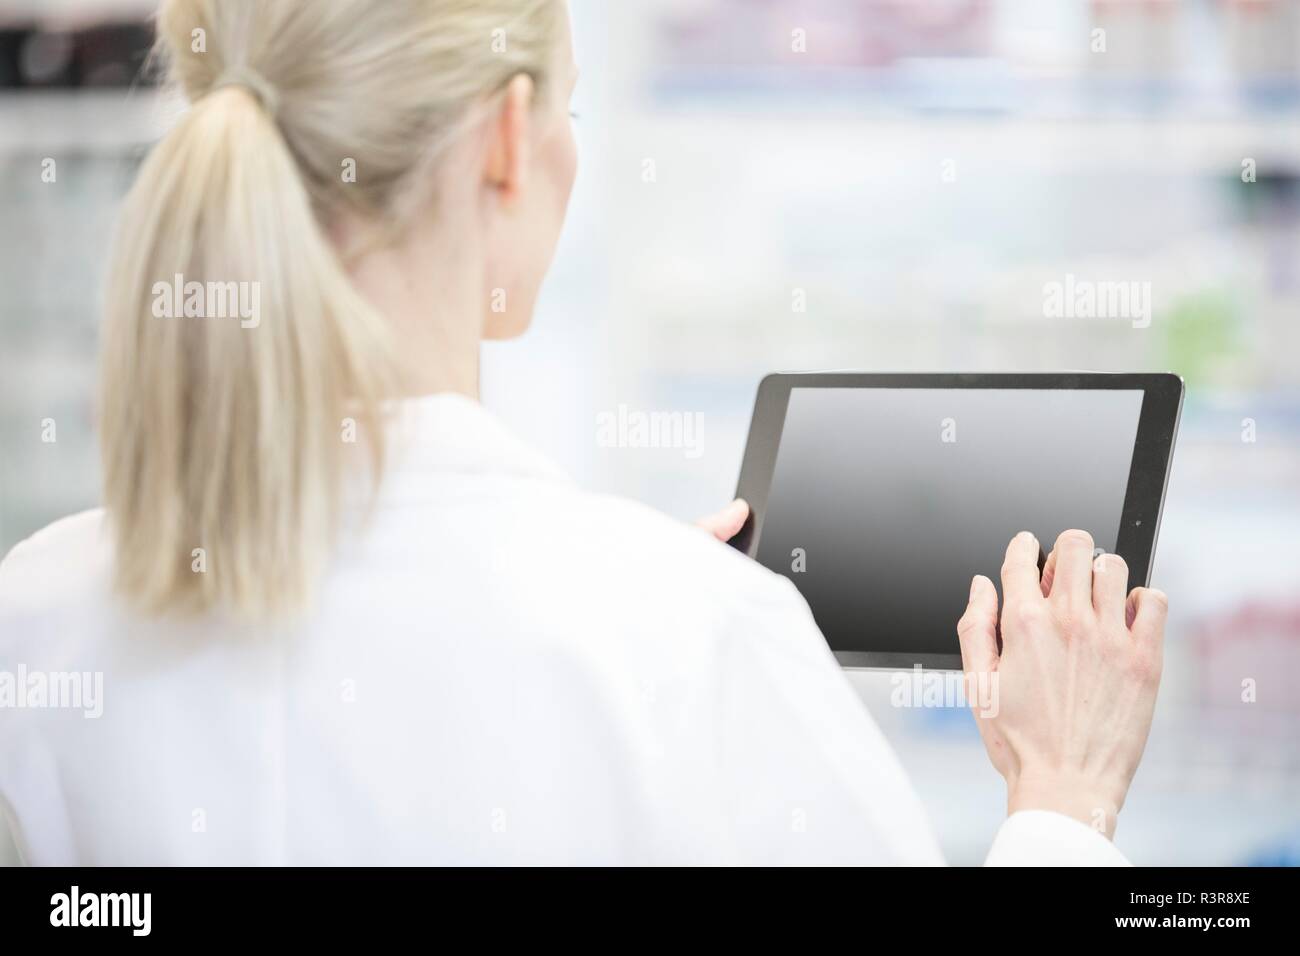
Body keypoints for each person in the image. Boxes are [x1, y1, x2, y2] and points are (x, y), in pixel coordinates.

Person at [0, 0, 1166, 865]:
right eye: (571, 108)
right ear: (509, 141)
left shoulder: (35, 615)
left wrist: (631, 609)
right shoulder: (694, 641)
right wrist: (1062, 802)